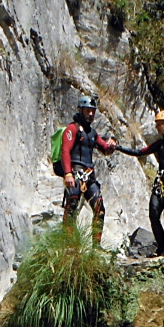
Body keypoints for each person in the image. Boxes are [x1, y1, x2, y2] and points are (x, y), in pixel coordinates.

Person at [116, 110, 164, 254]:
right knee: (154, 213)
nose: (157, 127)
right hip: (161, 181)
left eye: (159, 124)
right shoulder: (161, 143)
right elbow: (140, 152)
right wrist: (119, 148)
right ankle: (161, 247)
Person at [60, 94, 117, 245]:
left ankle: (96, 247)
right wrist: (67, 173)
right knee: (72, 205)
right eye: (87, 111)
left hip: (89, 176)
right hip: (75, 173)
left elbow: (105, 149)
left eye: (93, 111)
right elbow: (65, 151)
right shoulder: (72, 129)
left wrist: (112, 143)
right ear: (80, 110)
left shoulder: (92, 133)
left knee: (100, 208)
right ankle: (68, 243)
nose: (91, 114)